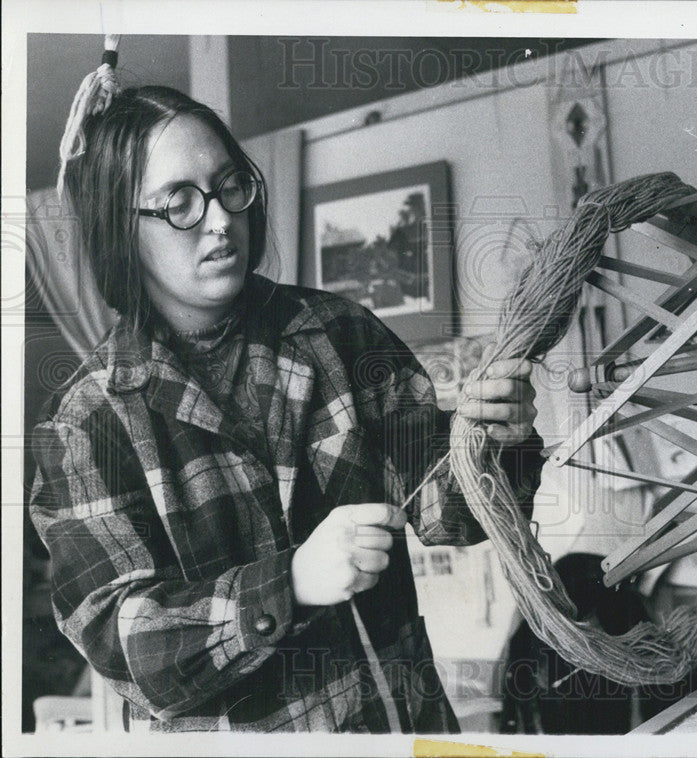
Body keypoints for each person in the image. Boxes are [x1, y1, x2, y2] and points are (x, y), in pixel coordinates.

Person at [28, 78, 544, 733]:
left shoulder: (342, 334)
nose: (219, 220)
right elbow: (122, 642)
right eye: (178, 202)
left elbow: (452, 518)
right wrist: (289, 584)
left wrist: (493, 440)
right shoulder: (84, 424)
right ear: (120, 229)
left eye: (229, 186)